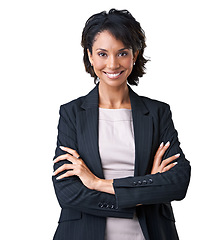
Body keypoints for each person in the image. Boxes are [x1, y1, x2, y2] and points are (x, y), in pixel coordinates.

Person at [52, 9, 191, 240]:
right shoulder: (72, 114)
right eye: (103, 54)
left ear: (135, 55)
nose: (113, 64)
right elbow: (68, 192)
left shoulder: (158, 112)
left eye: (122, 53)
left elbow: (178, 182)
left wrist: (97, 183)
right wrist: (144, 193)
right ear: (90, 56)